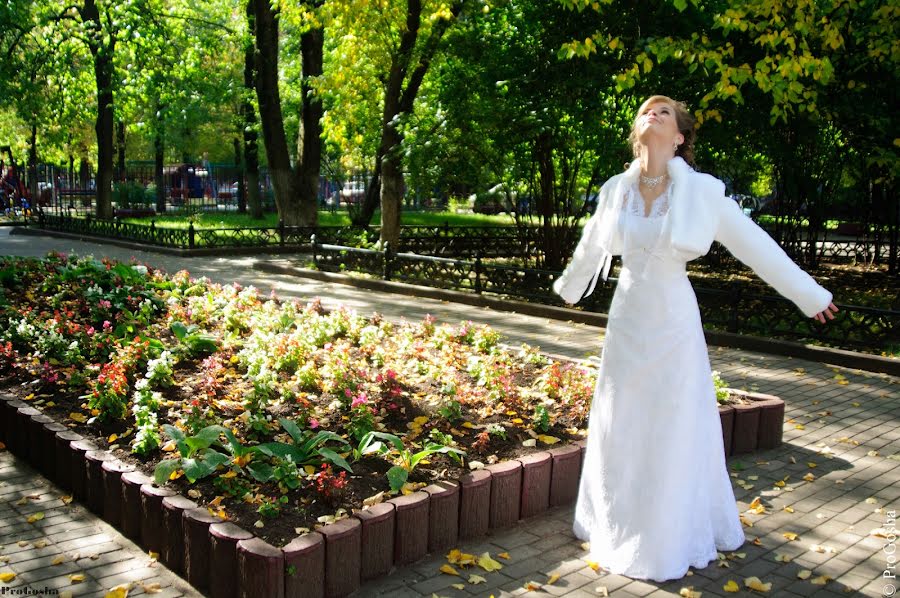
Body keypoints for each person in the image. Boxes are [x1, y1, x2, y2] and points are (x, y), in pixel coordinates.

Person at [553, 95, 838, 582]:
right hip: (626, 320)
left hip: (672, 322)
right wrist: (569, 290)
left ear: (680, 137)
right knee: (620, 418)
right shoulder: (614, 189)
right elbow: (590, 245)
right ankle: (615, 520)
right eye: (646, 110)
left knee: (672, 420)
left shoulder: (701, 192)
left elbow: (755, 244)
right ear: (636, 131)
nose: (653, 114)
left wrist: (810, 295)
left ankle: (667, 534)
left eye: (664, 112)